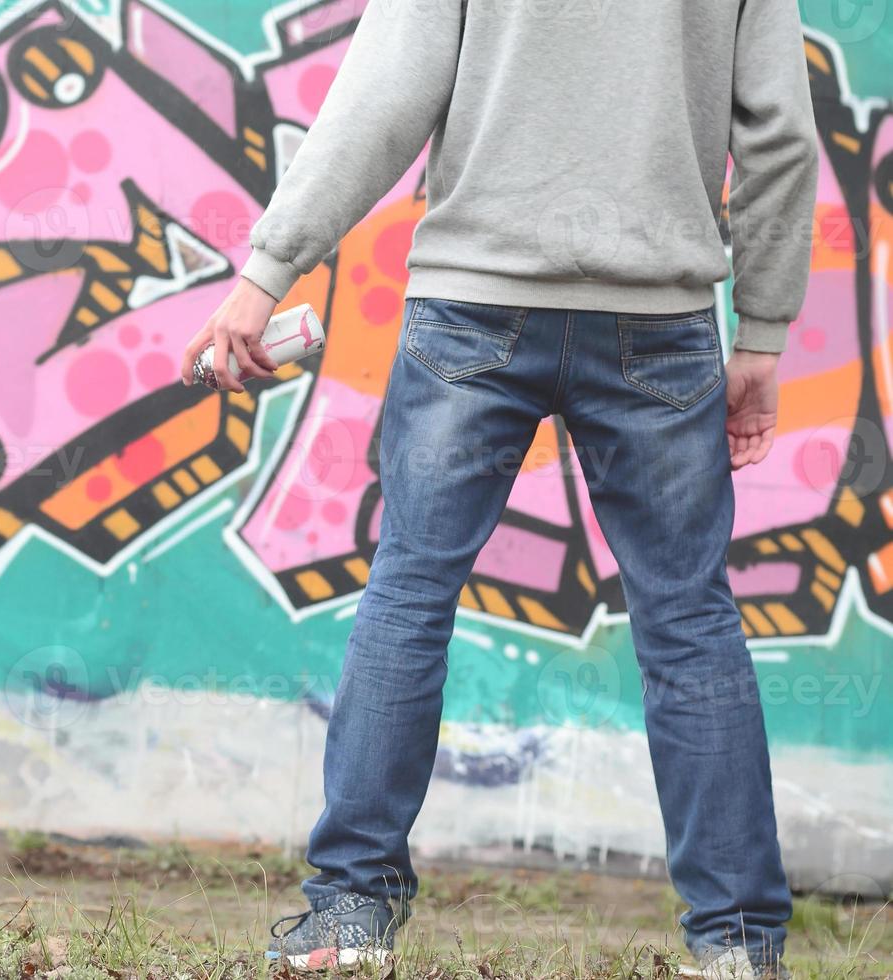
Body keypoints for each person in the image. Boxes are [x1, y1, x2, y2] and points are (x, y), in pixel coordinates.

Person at [180, 0, 819, 974]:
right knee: (687, 617)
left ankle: (349, 914)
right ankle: (735, 944)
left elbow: (384, 91)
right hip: (655, 313)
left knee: (409, 592)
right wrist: (763, 330)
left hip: (471, 306)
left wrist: (266, 271)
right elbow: (777, 129)